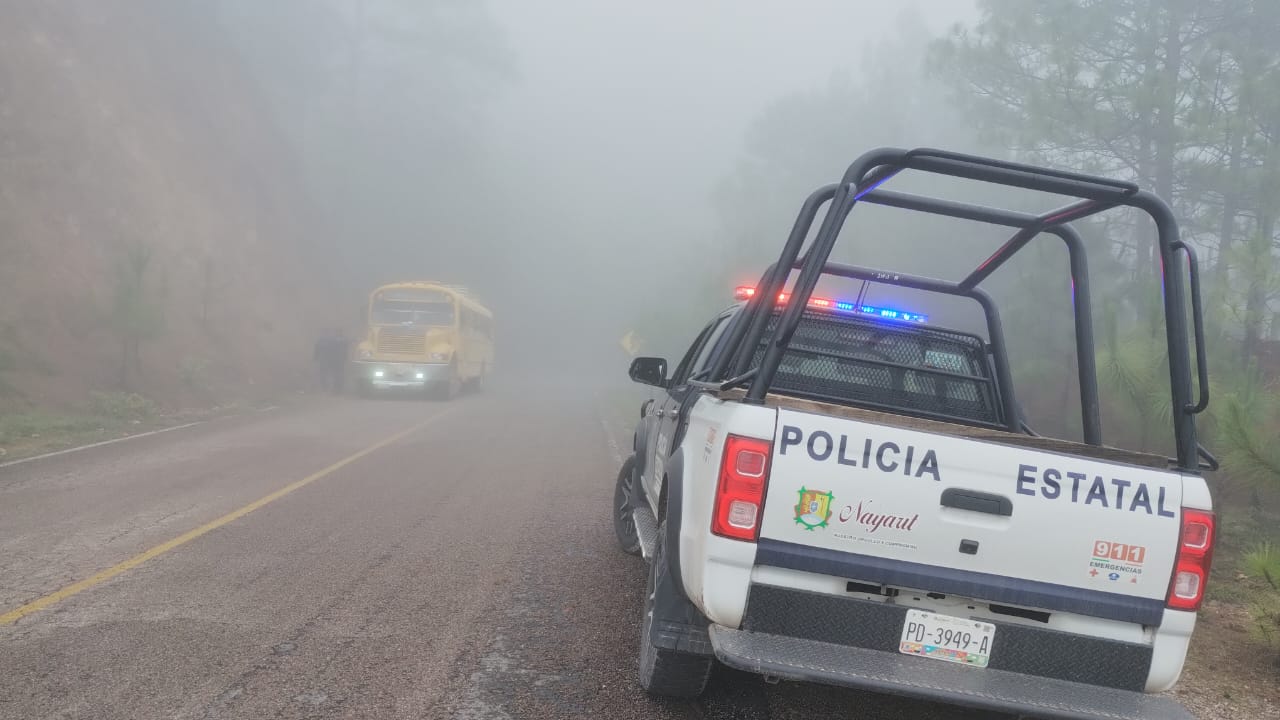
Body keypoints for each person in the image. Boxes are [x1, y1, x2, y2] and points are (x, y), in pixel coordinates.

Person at [312, 328, 349, 394]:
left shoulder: (330, 340)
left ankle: (331, 388)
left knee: (332, 374)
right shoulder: (334, 340)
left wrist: (316, 358)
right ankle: (334, 389)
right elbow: (318, 349)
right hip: (333, 360)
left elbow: (317, 350)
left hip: (332, 360)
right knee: (335, 374)